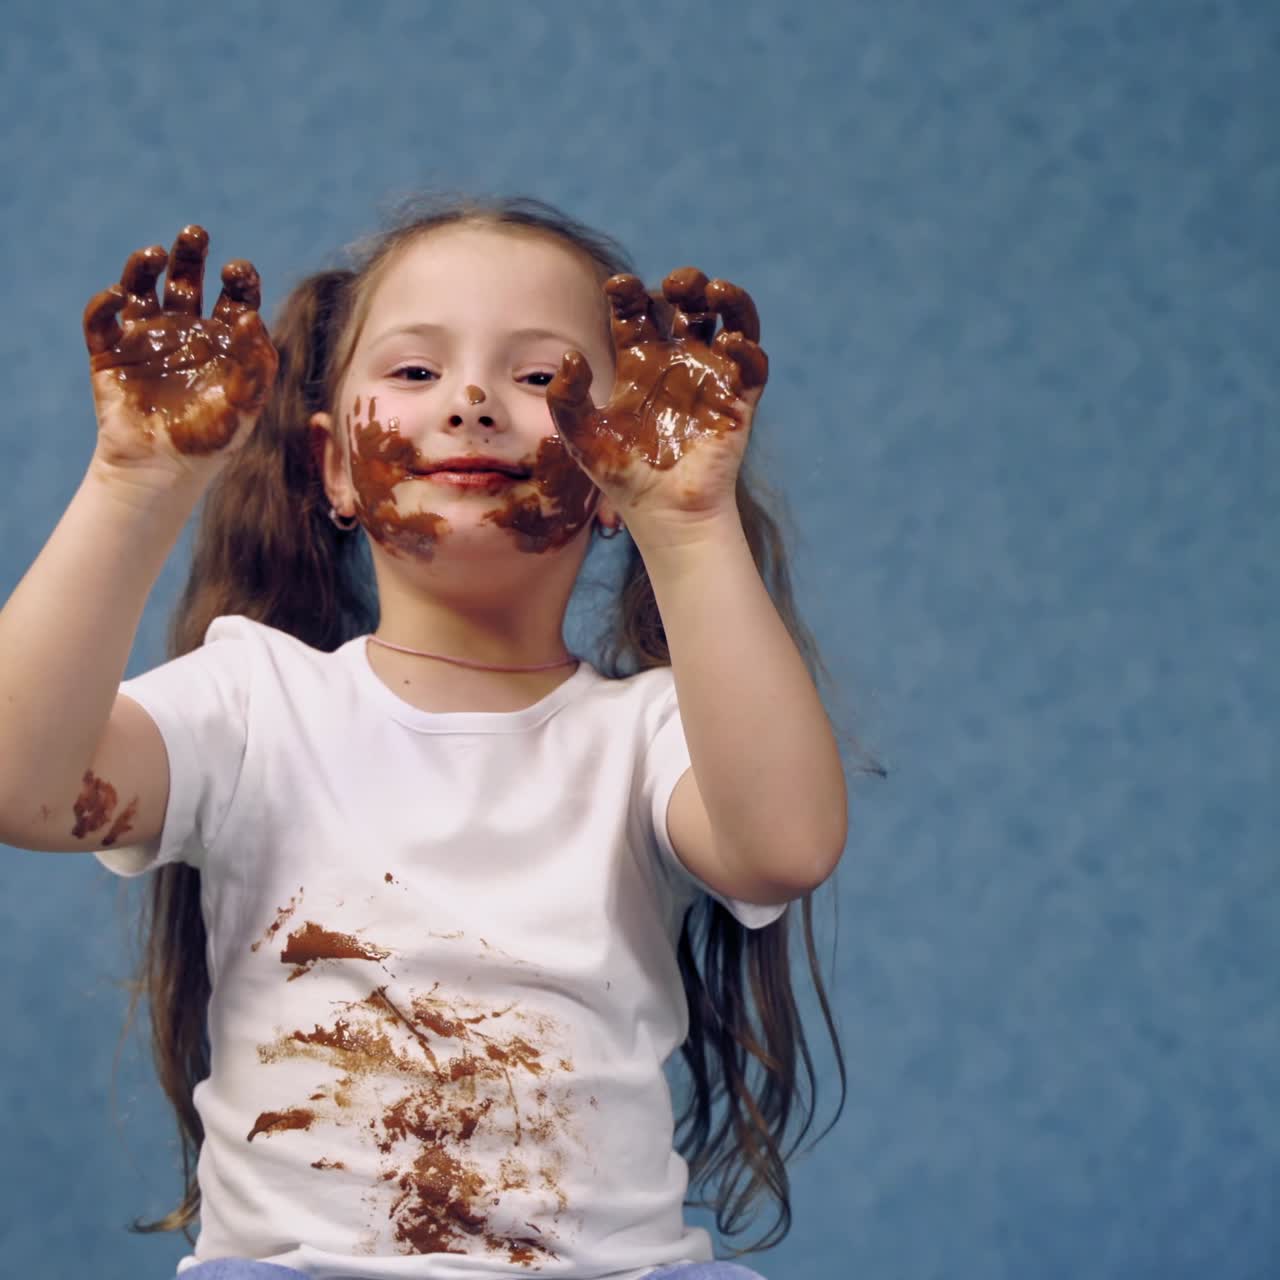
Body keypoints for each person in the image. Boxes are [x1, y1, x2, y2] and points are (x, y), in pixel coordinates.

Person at [0, 196, 879, 1279]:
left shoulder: (649, 734)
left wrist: (687, 521)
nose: (470, 401)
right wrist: (135, 481)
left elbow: (784, 843)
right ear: (329, 465)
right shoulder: (250, 705)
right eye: (415, 374)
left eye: (541, 378)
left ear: (615, 461)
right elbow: (22, 785)